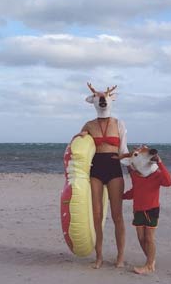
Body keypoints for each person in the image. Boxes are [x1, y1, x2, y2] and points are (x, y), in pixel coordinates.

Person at [72, 83, 130, 269]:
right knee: (96, 215)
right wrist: (80, 136)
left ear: (111, 100)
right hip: (96, 169)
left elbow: (123, 150)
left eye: (105, 96)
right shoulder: (89, 125)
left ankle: (120, 257)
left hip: (114, 168)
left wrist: (136, 166)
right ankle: (99, 256)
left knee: (117, 215)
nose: (103, 99)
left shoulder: (119, 123)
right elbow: (78, 146)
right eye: (99, 97)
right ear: (93, 102)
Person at [122, 147, 171, 275]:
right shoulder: (135, 175)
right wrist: (121, 196)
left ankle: (149, 265)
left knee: (149, 238)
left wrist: (160, 162)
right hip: (138, 209)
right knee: (141, 238)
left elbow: (168, 182)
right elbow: (135, 191)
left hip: (151, 209)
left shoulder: (157, 175)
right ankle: (151, 260)